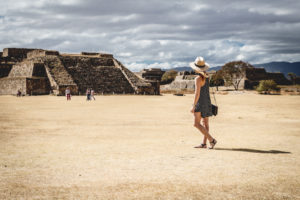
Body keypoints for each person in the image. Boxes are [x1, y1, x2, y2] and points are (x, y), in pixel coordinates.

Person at [190, 56, 217, 149]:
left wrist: (193, 106)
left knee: (196, 124)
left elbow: (197, 93)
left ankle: (211, 140)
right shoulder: (207, 77)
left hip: (200, 102)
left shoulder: (198, 78)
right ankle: (204, 144)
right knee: (205, 124)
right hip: (207, 101)